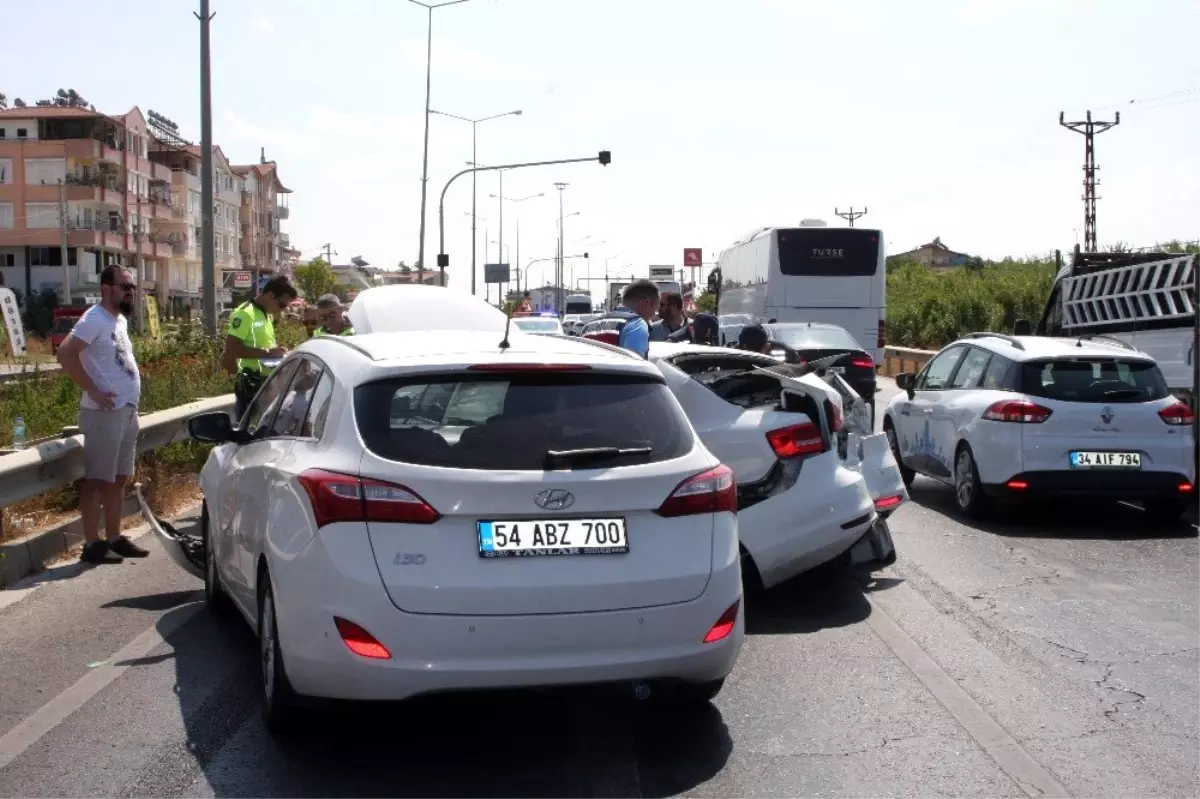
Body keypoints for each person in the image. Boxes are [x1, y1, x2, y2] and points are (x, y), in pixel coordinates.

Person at [56, 265, 148, 564]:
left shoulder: (118, 320)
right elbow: (65, 353)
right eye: (124, 286)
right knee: (97, 479)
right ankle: (92, 544)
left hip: (125, 410)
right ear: (106, 288)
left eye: (132, 286)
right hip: (103, 413)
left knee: (119, 478)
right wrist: (93, 389)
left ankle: (114, 536)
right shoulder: (93, 319)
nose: (129, 291)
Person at [221, 276, 297, 421]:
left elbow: (261, 343)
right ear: (270, 295)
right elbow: (232, 349)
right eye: (282, 305)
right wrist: (267, 353)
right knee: (249, 431)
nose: (282, 309)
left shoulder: (265, 314)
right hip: (252, 383)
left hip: (267, 381)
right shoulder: (245, 313)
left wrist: (276, 351)